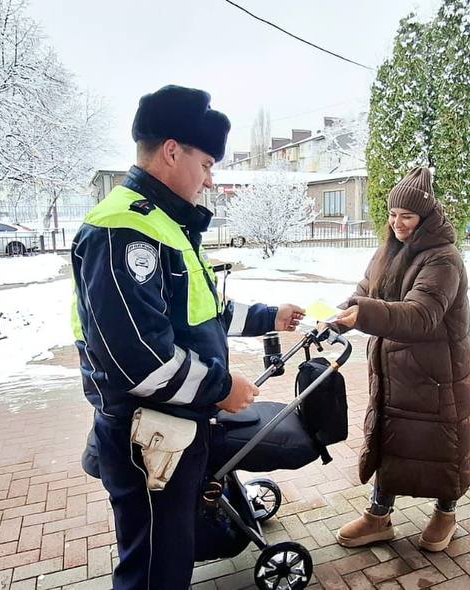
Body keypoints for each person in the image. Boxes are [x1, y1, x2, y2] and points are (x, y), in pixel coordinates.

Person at [70, 85, 304, 589]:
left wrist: (270, 316)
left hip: (171, 428)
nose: (209, 179)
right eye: (206, 163)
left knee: (170, 556)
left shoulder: (164, 225)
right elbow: (139, 359)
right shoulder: (125, 231)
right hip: (148, 434)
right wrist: (222, 388)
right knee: (155, 570)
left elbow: (203, 312)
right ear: (172, 151)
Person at [328, 167, 470, 553]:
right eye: (393, 215)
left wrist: (364, 313)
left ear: (425, 218)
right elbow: (365, 291)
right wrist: (342, 315)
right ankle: (379, 517)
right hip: (393, 372)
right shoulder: (387, 251)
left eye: (407, 216)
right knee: (390, 439)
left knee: (443, 445)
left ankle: (446, 513)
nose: (397, 223)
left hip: (437, 375)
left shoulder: (444, 260)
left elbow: (421, 314)